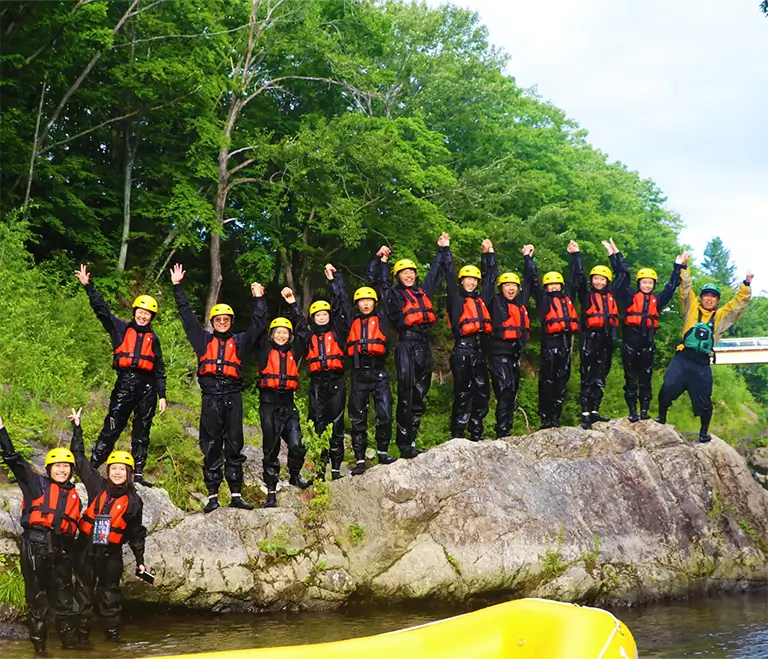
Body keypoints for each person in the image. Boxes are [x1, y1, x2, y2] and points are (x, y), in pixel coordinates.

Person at [171, 263, 265, 512]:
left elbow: (257, 325)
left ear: (231, 322)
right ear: (213, 322)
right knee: (211, 446)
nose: (222, 322)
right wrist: (178, 287)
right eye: (218, 319)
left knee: (234, 444)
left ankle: (235, 493)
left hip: (233, 397)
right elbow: (188, 318)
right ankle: (212, 496)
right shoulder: (203, 340)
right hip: (211, 398)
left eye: (226, 319)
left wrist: (259, 299)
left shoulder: (241, 342)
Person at [75, 265, 167, 487]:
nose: (143, 316)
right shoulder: (120, 328)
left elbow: (159, 369)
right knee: (113, 424)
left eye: (147, 314)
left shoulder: (153, 339)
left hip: (147, 387)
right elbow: (102, 310)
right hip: (125, 381)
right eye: (140, 312)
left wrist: (162, 395)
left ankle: (137, 473)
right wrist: (89, 287)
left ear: (151, 317)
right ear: (134, 312)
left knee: (142, 429)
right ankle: (93, 466)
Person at [0, 417, 81, 654]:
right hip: (35, 547)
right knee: (38, 601)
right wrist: (2, 432)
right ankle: (40, 650)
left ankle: (70, 647)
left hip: (61, 551)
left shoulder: (75, 496)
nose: (62, 469)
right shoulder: (35, 484)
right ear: (49, 469)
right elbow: (13, 459)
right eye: (57, 466)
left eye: (66, 466)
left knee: (65, 601)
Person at [69, 407, 147, 644]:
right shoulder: (97, 485)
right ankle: (82, 639)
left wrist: (141, 561)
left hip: (110, 554)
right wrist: (77, 428)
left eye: (122, 470)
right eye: (114, 469)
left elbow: (136, 533)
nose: (117, 473)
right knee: (83, 593)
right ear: (108, 470)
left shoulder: (134, 501)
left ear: (129, 473)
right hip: (86, 549)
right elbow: (79, 459)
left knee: (109, 595)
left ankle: (113, 641)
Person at [368, 233, 450, 457]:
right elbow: (379, 283)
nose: (409, 275)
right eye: (405, 272)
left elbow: (435, 273)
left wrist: (443, 249)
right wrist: (380, 261)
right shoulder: (392, 295)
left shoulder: (423, 291)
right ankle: (404, 445)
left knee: (420, 394)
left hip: (424, 345)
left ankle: (412, 441)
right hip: (406, 346)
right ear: (398, 276)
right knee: (407, 394)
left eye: (412, 272)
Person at [655, 267, 753, 442]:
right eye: (706, 295)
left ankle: (703, 432)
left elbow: (738, 303)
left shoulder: (722, 315)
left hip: (701, 363)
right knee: (667, 388)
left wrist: (746, 284)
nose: (709, 298)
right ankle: (661, 417)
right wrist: (683, 269)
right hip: (683, 358)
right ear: (701, 298)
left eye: (713, 296)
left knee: (704, 401)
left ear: (717, 300)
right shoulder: (691, 307)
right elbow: (685, 288)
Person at [606, 239, 687, 421]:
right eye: (644, 282)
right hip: (630, 344)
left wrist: (678, 266)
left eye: (650, 283)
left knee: (646, 378)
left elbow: (671, 287)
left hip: (647, 345)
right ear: (639, 283)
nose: (647, 286)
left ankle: (644, 410)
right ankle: (632, 411)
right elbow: (622, 276)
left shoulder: (656, 301)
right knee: (630, 379)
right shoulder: (629, 296)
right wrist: (615, 255)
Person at [329, 257, 396, 475]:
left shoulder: (383, 318)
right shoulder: (352, 320)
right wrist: (335, 278)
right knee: (358, 418)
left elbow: (385, 289)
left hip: (378, 372)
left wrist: (382, 263)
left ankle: (383, 451)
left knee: (384, 414)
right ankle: (359, 459)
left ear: (375, 303)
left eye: (369, 300)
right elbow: (340, 299)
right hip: (358, 374)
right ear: (357, 304)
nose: (365, 303)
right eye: (361, 301)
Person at [292, 270, 348, 481]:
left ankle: (335, 467)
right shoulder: (309, 336)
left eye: (325, 314)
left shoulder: (338, 331)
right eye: (318, 315)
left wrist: (334, 282)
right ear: (314, 318)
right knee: (317, 423)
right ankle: (319, 469)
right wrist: (292, 304)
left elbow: (341, 305)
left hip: (336, 381)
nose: (322, 317)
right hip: (317, 383)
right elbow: (298, 322)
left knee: (337, 423)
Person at [259, 288, 311, 508]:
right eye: (277, 332)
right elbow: (257, 326)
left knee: (298, 445)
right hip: (269, 405)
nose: (281, 335)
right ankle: (271, 491)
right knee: (270, 449)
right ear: (272, 334)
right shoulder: (263, 349)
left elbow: (304, 333)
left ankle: (294, 474)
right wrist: (260, 299)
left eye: (285, 332)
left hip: (288, 405)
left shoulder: (295, 350)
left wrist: (293, 304)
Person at [525, 242, 580, 428]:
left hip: (564, 342)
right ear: (546, 288)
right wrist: (528, 259)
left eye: (557, 284)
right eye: (550, 285)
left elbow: (575, 278)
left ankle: (555, 417)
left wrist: (575, 256)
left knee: (561, 380)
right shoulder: (543, 300)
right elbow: (533, 281)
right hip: (549, 343)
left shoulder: (568, 298)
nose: (554, 288)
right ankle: (545, 418)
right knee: (547, 381)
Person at [481, 239, 531, 438]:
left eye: (514, 286)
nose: (511, 289)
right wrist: (488, 255)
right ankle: (502, 431)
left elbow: (530, 281)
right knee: (505, 389)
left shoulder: (519, 303)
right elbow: (487, 280)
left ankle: (506, 429)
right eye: (507, 285)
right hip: (497, 352)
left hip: (514, 353)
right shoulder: (493, 302)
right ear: (501, 287)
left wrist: (527, 258)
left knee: (511, 392)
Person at [445, 244, 492, 441]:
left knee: (482, 392)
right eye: (467, 279)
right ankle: (458, 432)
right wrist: (446, 251)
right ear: (461, 281)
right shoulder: (456, 300)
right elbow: (448, 276)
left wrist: (488, 254)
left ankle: (476, 431)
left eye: (474, 280)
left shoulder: (481, 300)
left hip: (479, 350)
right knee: (463, 392)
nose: (471, 283)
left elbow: (490, 279)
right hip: (463, 350)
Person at [571, 243, 619, 429]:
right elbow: (580, 278)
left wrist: (613, 255)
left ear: (607, 281)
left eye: (602, 279)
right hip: (589, 338)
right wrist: (576, 255)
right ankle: (585, 413)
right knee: (587, 375)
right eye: (596, 279)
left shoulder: (612, 295)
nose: (599, 282)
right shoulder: (586, 295)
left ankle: (595, 411)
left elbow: (623, 275)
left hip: (606, 338)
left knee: (601, 375)